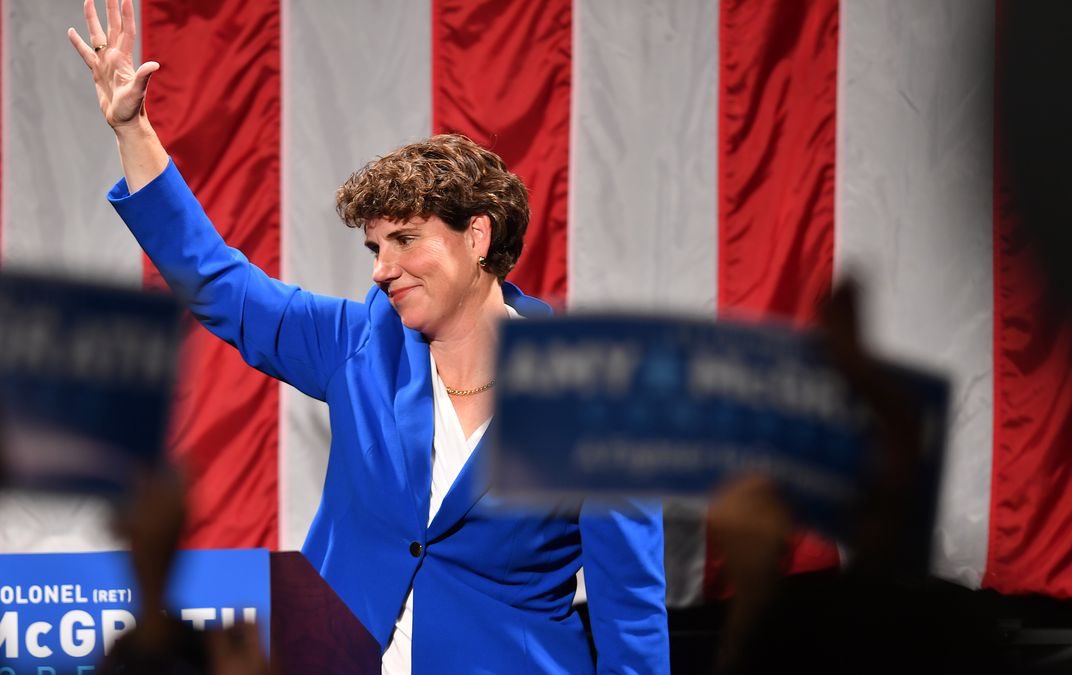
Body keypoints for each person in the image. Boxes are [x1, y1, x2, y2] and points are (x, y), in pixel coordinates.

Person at [69, 1, 669, 672]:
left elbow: (630, 611)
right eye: (375, 247)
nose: (382, 269)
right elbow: (217, 283)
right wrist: (133, 129)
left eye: (405, 240)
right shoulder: (358, 345)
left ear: (478, 236)